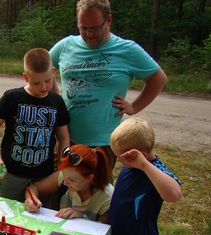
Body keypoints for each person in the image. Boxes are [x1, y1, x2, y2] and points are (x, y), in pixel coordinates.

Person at [49, 0, 168, 169]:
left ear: (109, 20)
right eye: (83, 28)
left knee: (95, 194)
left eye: (95, 28)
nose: (89, 33)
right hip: (64, 137)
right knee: (58, 189)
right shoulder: (66, 45)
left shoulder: (127, 50)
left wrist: (134, 106)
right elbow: (42, 66)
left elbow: (158, 78)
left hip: (102, 144)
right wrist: (55, 98)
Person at [107, 117, 182, 235]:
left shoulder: (154, 170)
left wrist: (145, 166)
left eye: (120, 156)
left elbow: (174, 194)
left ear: (136, 154)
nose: (119, 160)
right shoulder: (130, 167)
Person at [0, 48, 70, 203]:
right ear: (25, 77)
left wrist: (63, 160)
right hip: (12, 174)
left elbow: (63, 136)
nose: (43, 87)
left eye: (48, 81)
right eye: (36, 82)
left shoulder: (57, 102)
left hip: (44, 176)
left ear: (53, 72)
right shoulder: (12, 97)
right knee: (9, 213)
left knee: (42, 215)